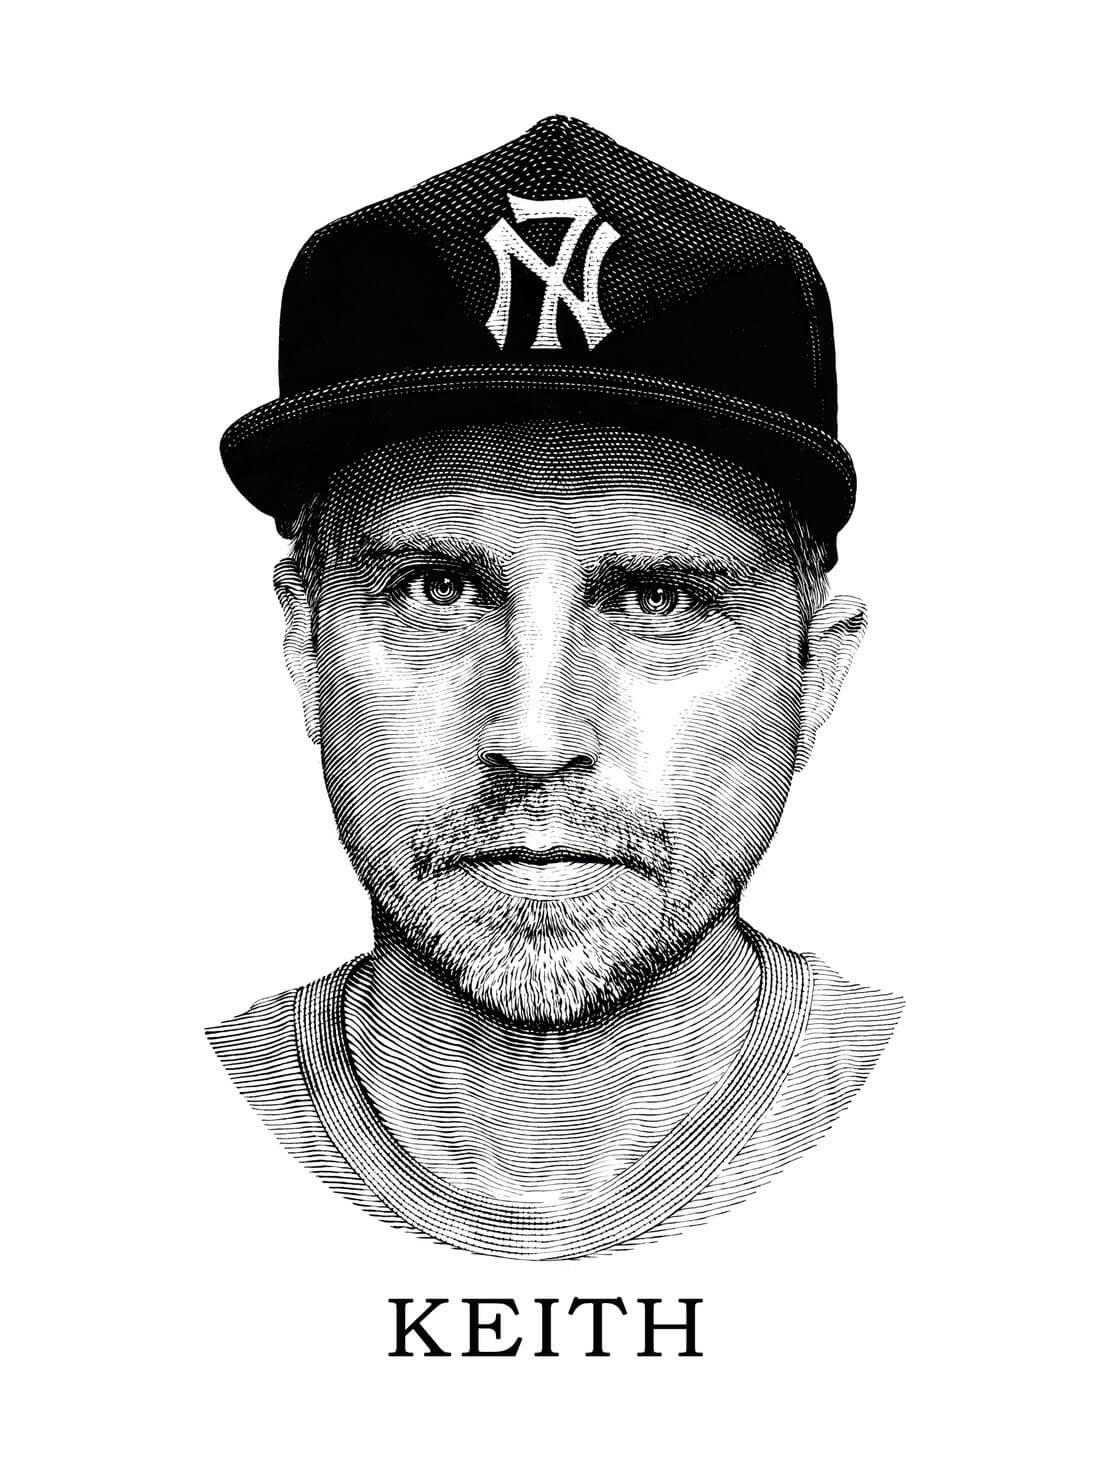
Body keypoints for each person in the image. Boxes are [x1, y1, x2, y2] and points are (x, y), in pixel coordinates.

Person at [208, 115, 903, 1259]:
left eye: (657, 599)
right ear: (304, 641)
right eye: (435, 590)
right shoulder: (102, 1138)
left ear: (815, 666)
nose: (534, 733)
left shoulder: (1003, 1130)